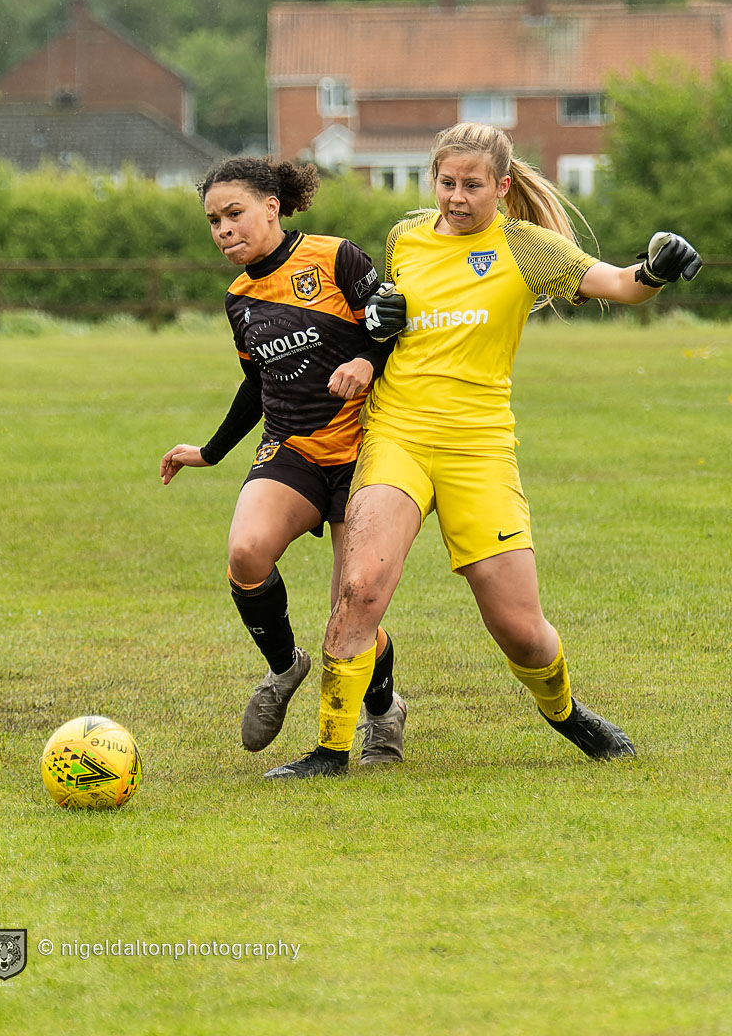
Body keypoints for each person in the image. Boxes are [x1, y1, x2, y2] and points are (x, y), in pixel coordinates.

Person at [264, 121, 702, 779]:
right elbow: (388, 317)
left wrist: (655, 270)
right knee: (359, 588)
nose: (456, 197)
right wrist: (377, 325)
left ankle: (566, 712)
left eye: (472, 185)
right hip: (397, 437)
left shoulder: (527, 248)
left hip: (478, 449)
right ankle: (329, 750)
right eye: (446, 182)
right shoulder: (405, 238)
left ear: (501, 186)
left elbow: (619, 285)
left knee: (522, 632)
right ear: (432, 180)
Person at [160, 156, 406, 763]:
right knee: (245, 552)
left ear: (272, 206)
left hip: (362, 450)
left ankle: (383, 713)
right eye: (214, 221)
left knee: (352, 604)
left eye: (234, 213)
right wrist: (211, 452)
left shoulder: (335, 257)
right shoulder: (239, 298)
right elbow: (256, 382)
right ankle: (282, 666)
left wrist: (368, 362)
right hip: (290, 448)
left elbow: (394, 323)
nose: (223, 230)